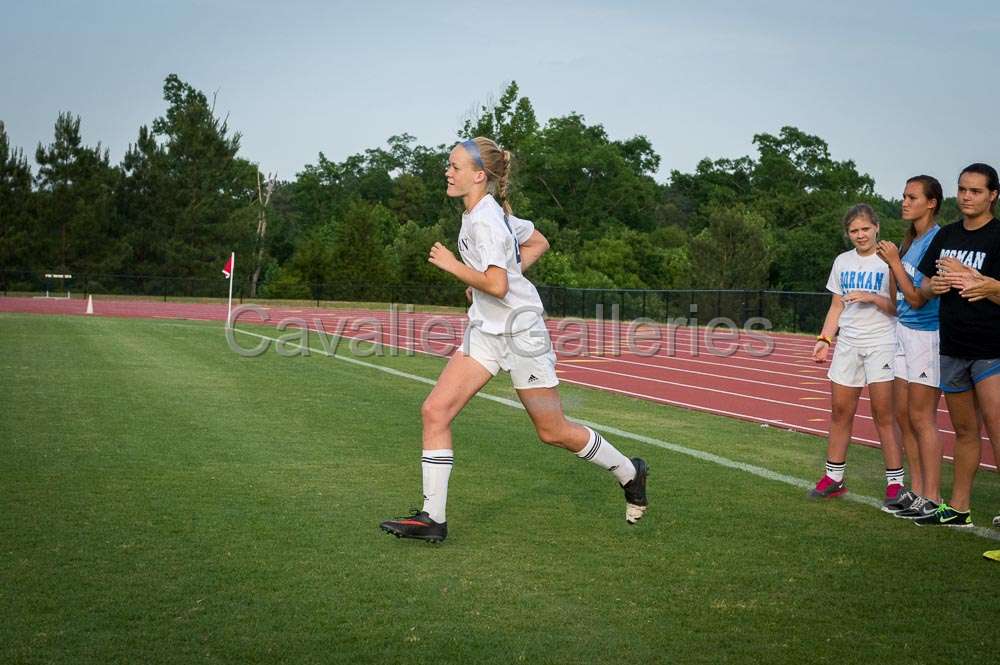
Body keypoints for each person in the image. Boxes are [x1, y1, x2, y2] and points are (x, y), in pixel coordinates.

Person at [379, 137, 648, 543]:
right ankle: (433, 519)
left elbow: (500, 284)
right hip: (486, 334)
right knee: (435, 411)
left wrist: (458, 270)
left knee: (552, 431)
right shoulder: (483, 213)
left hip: (522, 335)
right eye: (448, 166)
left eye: (454, 166)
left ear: (478, 175)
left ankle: (629, 471)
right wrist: (484, 283)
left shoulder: (486, 219)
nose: (447, 172)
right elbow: (535, 243)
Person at [913, 163, 1000, 528]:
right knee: (965, 431)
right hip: (952, 346)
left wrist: (990, 286)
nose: (967, 196)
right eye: (963, 189)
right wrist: (936, 286)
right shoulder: (945, 235)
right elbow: (921, 291)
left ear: (993, 195)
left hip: (991, 348)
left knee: (998, 430)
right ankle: (959, 508)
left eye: (976, 191)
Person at [809, 204, 905, 505]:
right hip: (848, 343)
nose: (860, 235)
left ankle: (895, 483)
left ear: (877, 227)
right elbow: (837, 306)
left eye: (865, 229)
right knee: (840, 411)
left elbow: (897, 308)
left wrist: (872, 297)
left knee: (883, 414)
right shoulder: (842, 261)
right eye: (854, 230)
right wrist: (825, 338)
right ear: (848, 233)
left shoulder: (888, 260)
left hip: (882, 342)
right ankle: (834, 477)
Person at [874, 176, 944, 519]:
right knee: (903, 415)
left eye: (911, 197)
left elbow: (916, 299)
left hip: (926, 333)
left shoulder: (936, 239)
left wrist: (896, 263)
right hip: (902, 331)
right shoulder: (910, 240)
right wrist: (892, 263)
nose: (904, 201)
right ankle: (916, 491)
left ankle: (932, 496)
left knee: (921, 417)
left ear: (931, 203)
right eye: (903, 196)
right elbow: (895, 299)